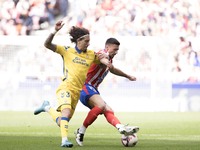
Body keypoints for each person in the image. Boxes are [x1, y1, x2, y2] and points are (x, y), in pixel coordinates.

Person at [34, 20, 110, 148]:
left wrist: (106, 56)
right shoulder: (66, 50)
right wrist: (54, 31)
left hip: (77, 91)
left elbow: (102, 60)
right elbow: (47, 44)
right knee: (66, 112)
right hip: (65, 87)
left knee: (63, 121)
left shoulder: (91, 54)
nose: (89, 43)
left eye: (89, 41)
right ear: (79, 41)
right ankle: (64, 141)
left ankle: (47, 107)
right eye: (86, 41)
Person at [75, 38, 139, 146]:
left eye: (117, 50)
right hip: (85, 86)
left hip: (93, 89)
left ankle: (120, 127)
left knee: (108, 110)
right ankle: (80, 132)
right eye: (115, 49)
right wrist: (106, 62)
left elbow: (113, 69)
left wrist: (127, 76)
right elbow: (101, 59)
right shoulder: (102, 53)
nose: (116, 52)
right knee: (101, 105)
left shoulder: (110, 60)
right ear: (107, 48)